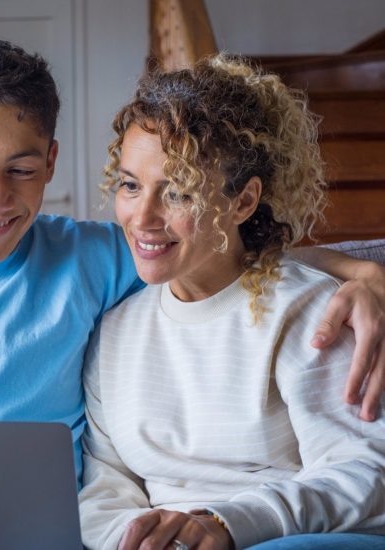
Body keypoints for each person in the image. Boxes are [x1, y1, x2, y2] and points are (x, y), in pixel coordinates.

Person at [0, 36, 385, 485]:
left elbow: (216, 246)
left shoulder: (88, 258)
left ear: (52, 164)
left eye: (21, 170)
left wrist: (362, 272)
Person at [78, 54, 385, 550]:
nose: (143, 217)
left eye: (178, 193)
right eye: (131, 185)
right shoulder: (114, 332)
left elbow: (367, 471)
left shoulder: (310, 311)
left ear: (243, 202)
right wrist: (136, 541)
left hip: (292, 539)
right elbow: (103, 482)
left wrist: (223, 525)